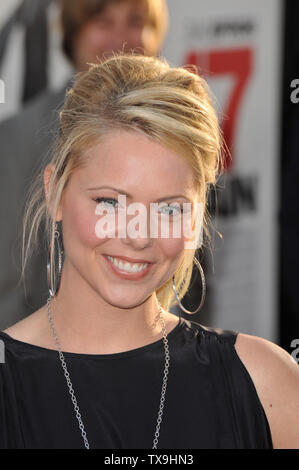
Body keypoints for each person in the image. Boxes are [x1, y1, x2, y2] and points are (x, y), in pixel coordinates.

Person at [0, 53, 298, 450]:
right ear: (55, 192)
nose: (139, 236)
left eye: (169, 208)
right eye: (110, 202)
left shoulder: (262, 383)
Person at [0, 0, 169, 329]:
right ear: (72, 35)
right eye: (103, 22)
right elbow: (8, 284)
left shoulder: (181, 132)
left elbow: (192, 273)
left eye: (135, 21)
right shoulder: (19, 137)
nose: (121, 39)